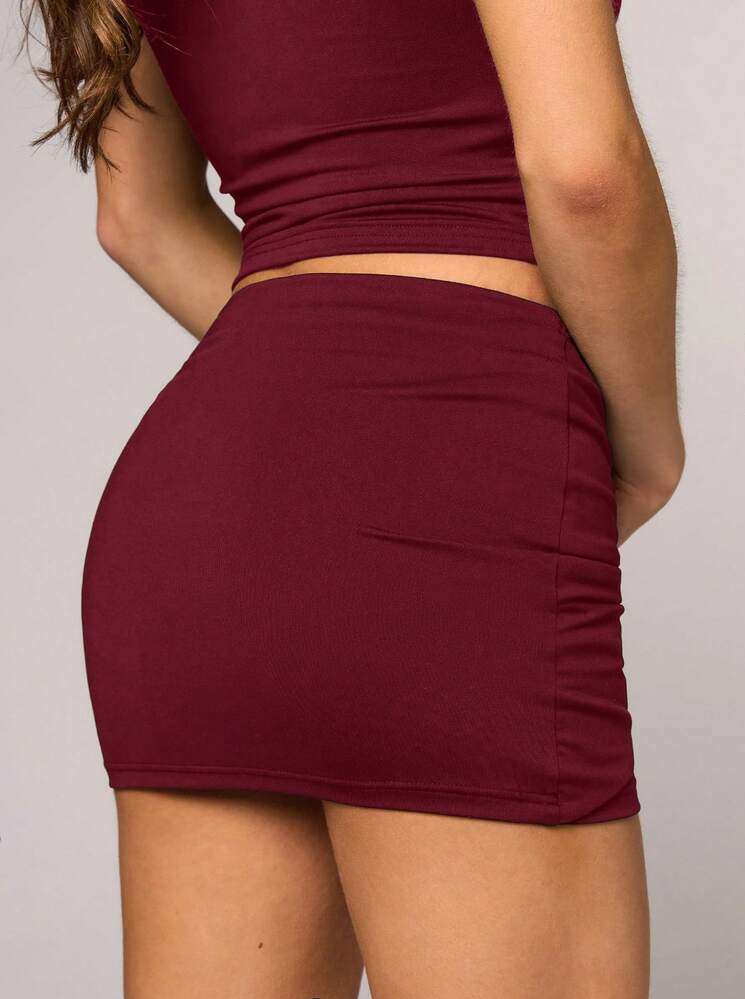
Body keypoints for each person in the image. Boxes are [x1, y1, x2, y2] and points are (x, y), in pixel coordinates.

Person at [23, 1, 684, 996]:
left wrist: (322, 396)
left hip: (199, 501)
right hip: (453, 472)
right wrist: (646, 448)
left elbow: (138, 221)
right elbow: (585, 171)